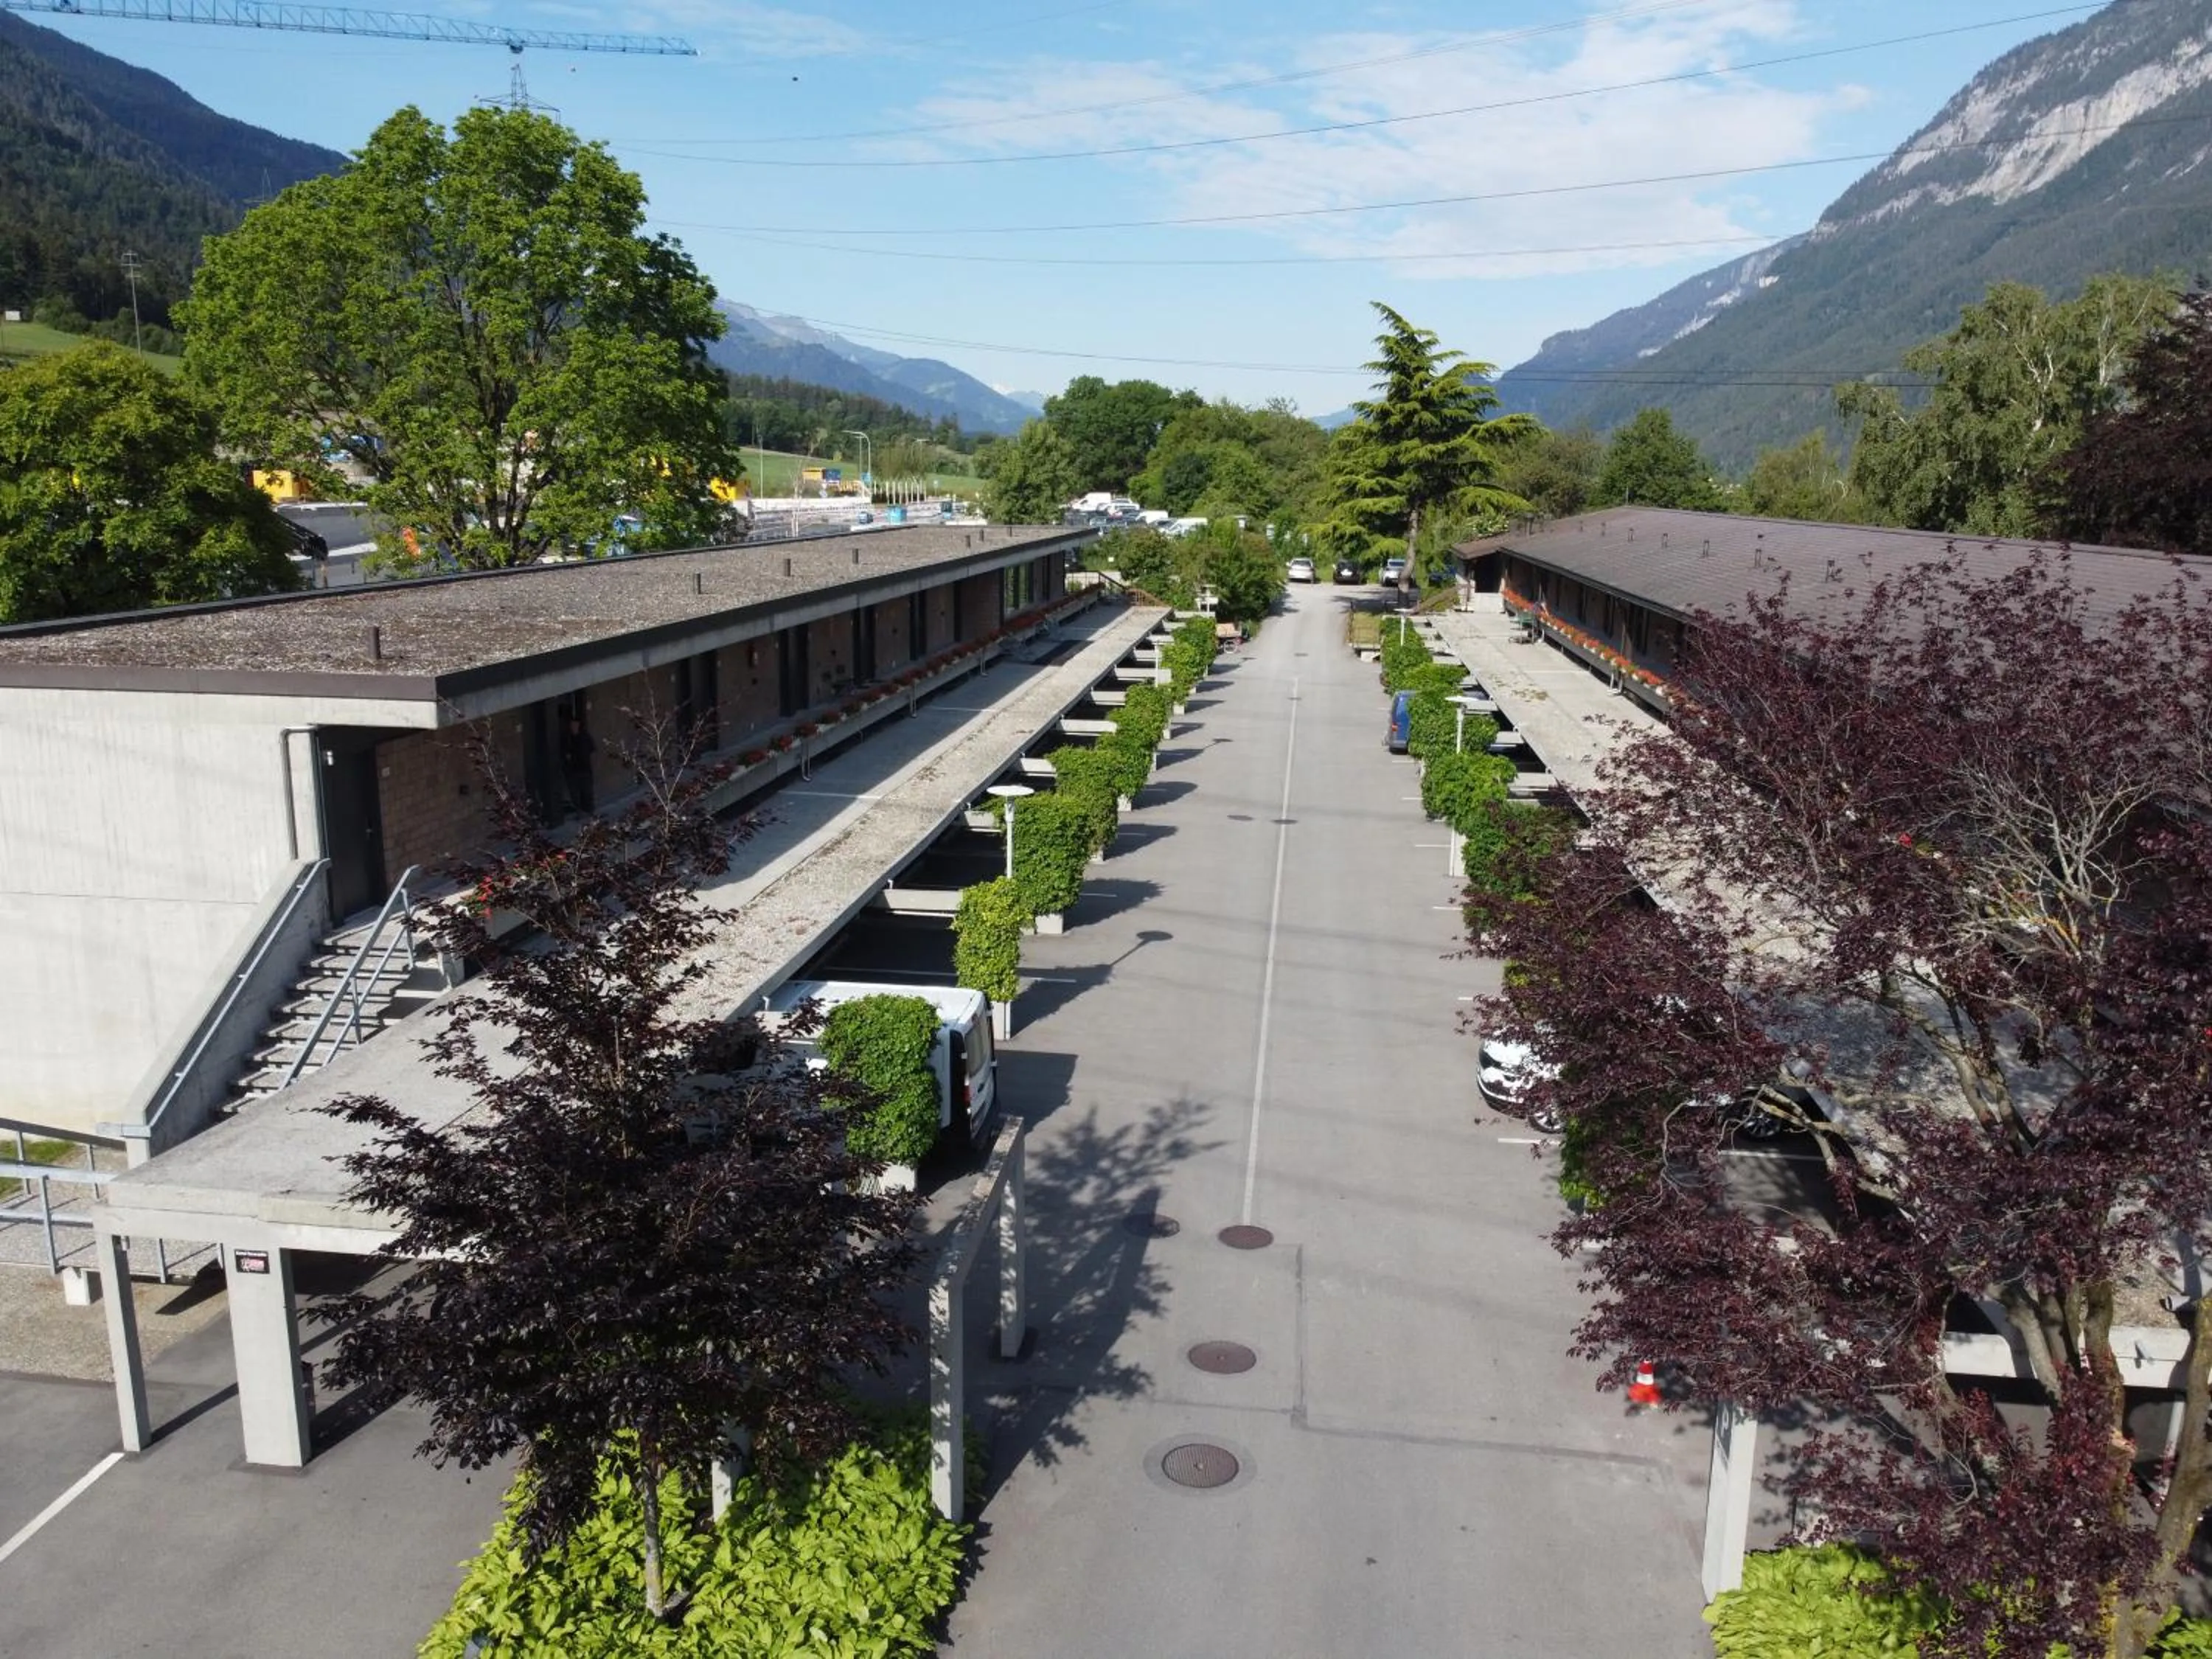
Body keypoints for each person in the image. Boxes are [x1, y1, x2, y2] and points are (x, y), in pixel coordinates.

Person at [558, 712, 595, 814]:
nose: (573, 726)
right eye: (572, 725)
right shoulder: (567, 738)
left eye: (575, 724)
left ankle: (589, 811)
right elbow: (564, 753)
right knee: (574, 794)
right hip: (572, 771)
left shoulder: (585, 737)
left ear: (579, 725)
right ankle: (579, 812)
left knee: (587, 792)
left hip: (585, 770)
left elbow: (592, 751)